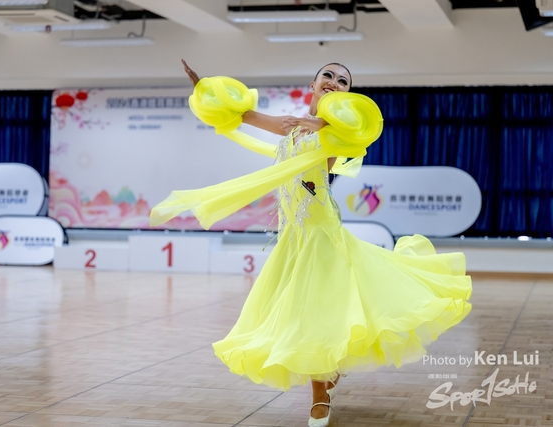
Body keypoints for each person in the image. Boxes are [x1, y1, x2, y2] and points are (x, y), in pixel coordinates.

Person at [151, 60, 473, 427]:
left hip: (320, 230)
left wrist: (322, 124)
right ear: (313, 83)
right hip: (293, 234)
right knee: (303, 311)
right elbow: (244, 115)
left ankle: (320, 394)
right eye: (328, 76)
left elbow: (356, 133)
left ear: (348, 93)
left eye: (343, 81)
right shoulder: (291, 126)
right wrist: (205, 88)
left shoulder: (340, 129)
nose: (334, 82)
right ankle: (329, 372)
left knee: (314, 309)